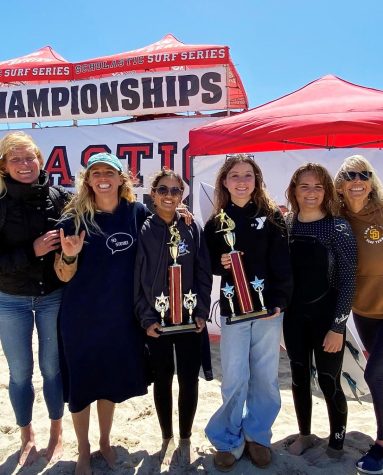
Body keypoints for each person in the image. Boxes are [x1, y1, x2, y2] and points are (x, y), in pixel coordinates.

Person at [54, 152, 149, 475]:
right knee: (82, 386)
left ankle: (105, 442)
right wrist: (69, 256)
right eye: (96, 173)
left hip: (121, 317)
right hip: (80, 317)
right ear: (87, 180)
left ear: (123, 178)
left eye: (110, 171)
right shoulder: (73, 220)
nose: (103, 177)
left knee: (108, 383)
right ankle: (83, 451)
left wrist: (179, 213)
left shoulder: (137, 213)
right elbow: (62, 276)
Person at [203, 154, 293, 472]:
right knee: (235, 377)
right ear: (225, 183)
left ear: (257, 182)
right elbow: (208, 263)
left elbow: (283, 263)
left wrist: (279, 301)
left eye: (248, 175)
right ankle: (228, 439)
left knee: (266, 378)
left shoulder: (271, 217)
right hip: (233, 311)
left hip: (268, 311)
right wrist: (220, 264)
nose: (242, 181)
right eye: (235, 176)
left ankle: (258, 436)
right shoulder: (216, 223)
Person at [0, 131, 70, 466]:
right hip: (10, 300)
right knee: (19, 373)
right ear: (4, 165)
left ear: (40, 160)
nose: (25, 165)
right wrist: (32, 250)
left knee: (53, 369)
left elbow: (98, 213)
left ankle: (57, 433)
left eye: (30, 158)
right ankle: (26, 434)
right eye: (16, 159)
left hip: (52, 297)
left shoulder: (58, 196)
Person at [134, 168, 212, 466]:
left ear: (183, 195)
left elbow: (204, 273)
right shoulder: (143, 229)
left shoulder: (192, 227)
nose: (169, 196)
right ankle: (166, 434)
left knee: (189, 378)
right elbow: (136, 279)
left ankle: (185, 436)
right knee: (163, 379)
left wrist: (202, 312)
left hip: (190, 320)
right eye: (163, 190)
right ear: (153, 193)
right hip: (157, 321)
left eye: (175, 191)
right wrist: (145, 317)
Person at [284, 163, 357, 458]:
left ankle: (337, 440)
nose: (311, 192)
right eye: (304, 186)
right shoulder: (287, 223)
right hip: (294, 318)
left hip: (327, 319)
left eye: (317, 186)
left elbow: (348, 280)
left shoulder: (338, 227)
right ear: (294, 191)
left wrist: (338, 327)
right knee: (299, 377)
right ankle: (305, 434)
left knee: (329, 380)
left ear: (326, 190)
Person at [335, 155, 383, 474]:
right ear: (340, 184)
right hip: (364, 311)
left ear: (371, 182)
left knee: (373, 373)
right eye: (350, 175)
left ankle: (381, 444)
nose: (357, 180)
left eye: (363, 174)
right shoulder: (336, 218)